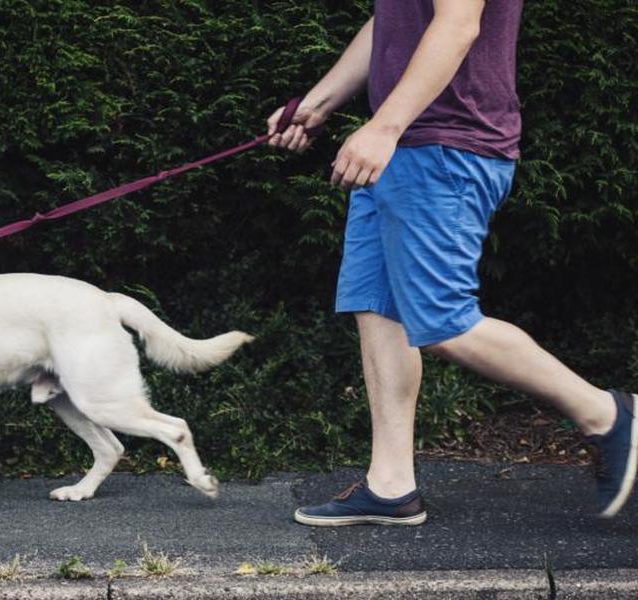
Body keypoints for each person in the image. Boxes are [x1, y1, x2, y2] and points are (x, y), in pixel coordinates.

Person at [266, 0, 635, 525]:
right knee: (378, 307)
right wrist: (320, 103)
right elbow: (390, 22)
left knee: (442, 321)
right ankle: (390, 485)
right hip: (405, 145)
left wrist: (384, 128)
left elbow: (459, 24)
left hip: (445, 144)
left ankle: (609, 414)